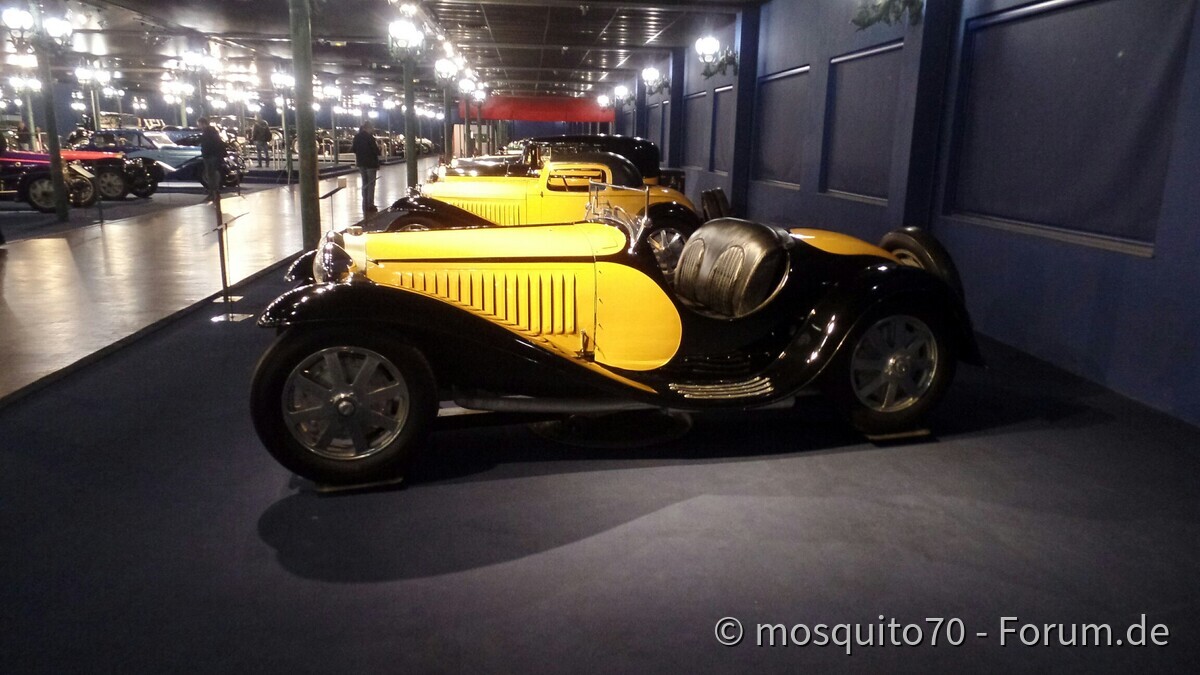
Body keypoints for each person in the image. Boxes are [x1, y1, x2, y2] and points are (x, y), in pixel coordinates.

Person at [351, 121, 381, 214]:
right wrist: (378, 150)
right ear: (368, 128)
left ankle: (364, 203)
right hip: (371, 164)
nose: (372, 130)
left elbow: (353, 149)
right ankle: (370, 204)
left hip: (361, 163)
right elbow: (375, 150)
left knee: (364, 183)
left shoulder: (356, 137)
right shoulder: (370, 137)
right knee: (371, 184)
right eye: (371, 128)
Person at [198, 117, 226, 201]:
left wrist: (205, 153)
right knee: (212, 174)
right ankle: (215, 192)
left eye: (199, 124)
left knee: (211, 175)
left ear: (203, 124)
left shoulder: (208, 132)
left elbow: (208, 144)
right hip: (213, 155)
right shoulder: (213, 132)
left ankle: (213, 192)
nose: (199, 126)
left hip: (210, 156)